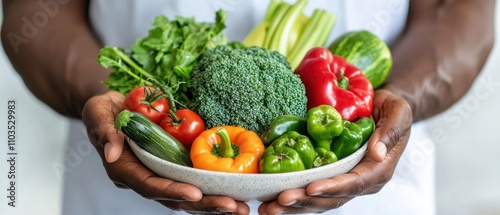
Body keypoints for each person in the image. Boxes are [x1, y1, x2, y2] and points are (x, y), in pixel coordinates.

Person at [1, 0, 495, 214]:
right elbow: (31, 12)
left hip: (360, 171)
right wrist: (106, 98)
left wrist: (399, 96)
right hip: (128, 177)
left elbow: (459, 10)